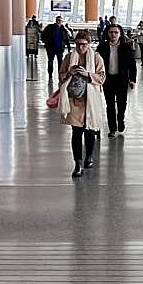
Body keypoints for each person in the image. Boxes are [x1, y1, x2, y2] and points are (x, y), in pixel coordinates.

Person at [58, 30, 107, 178]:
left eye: (84, 45)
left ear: (89, 44)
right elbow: (61, 76)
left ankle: (89, 156)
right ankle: (78, 163)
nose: (80, 48)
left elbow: (102, 78)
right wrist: (69, 74)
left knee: (90, 130)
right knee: (76, 132)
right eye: (78, 45)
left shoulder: (96, 58)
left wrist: (88, 74)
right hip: (74, 100)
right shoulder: (69, 57)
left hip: (90, 99)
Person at [97, 22, 136, 136]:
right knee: (110, 105)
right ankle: (112, 128)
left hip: (122, 80)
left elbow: (132, 65)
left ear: (120, 34)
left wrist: (133, 79)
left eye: (116, 32)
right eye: (111, 32)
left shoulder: (126, 47)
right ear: (107, 34)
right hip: (107, 80)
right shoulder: (102, 47)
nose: (113, 35)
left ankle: (120, 120)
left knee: (121, 103)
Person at [41, 15, 72, 79]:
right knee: (50, 61)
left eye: (60, 20)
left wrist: (69, 47)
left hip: (60, 49)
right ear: (55, 20)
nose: (58, 21)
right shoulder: (50, 27)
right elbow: (43, 35)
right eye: (57, 20)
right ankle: (50, 74)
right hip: (50, 48)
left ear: (62, 21)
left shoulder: (63, 29)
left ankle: (60, 74)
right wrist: (46, 43)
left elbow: (67, 39)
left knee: (60, 62)